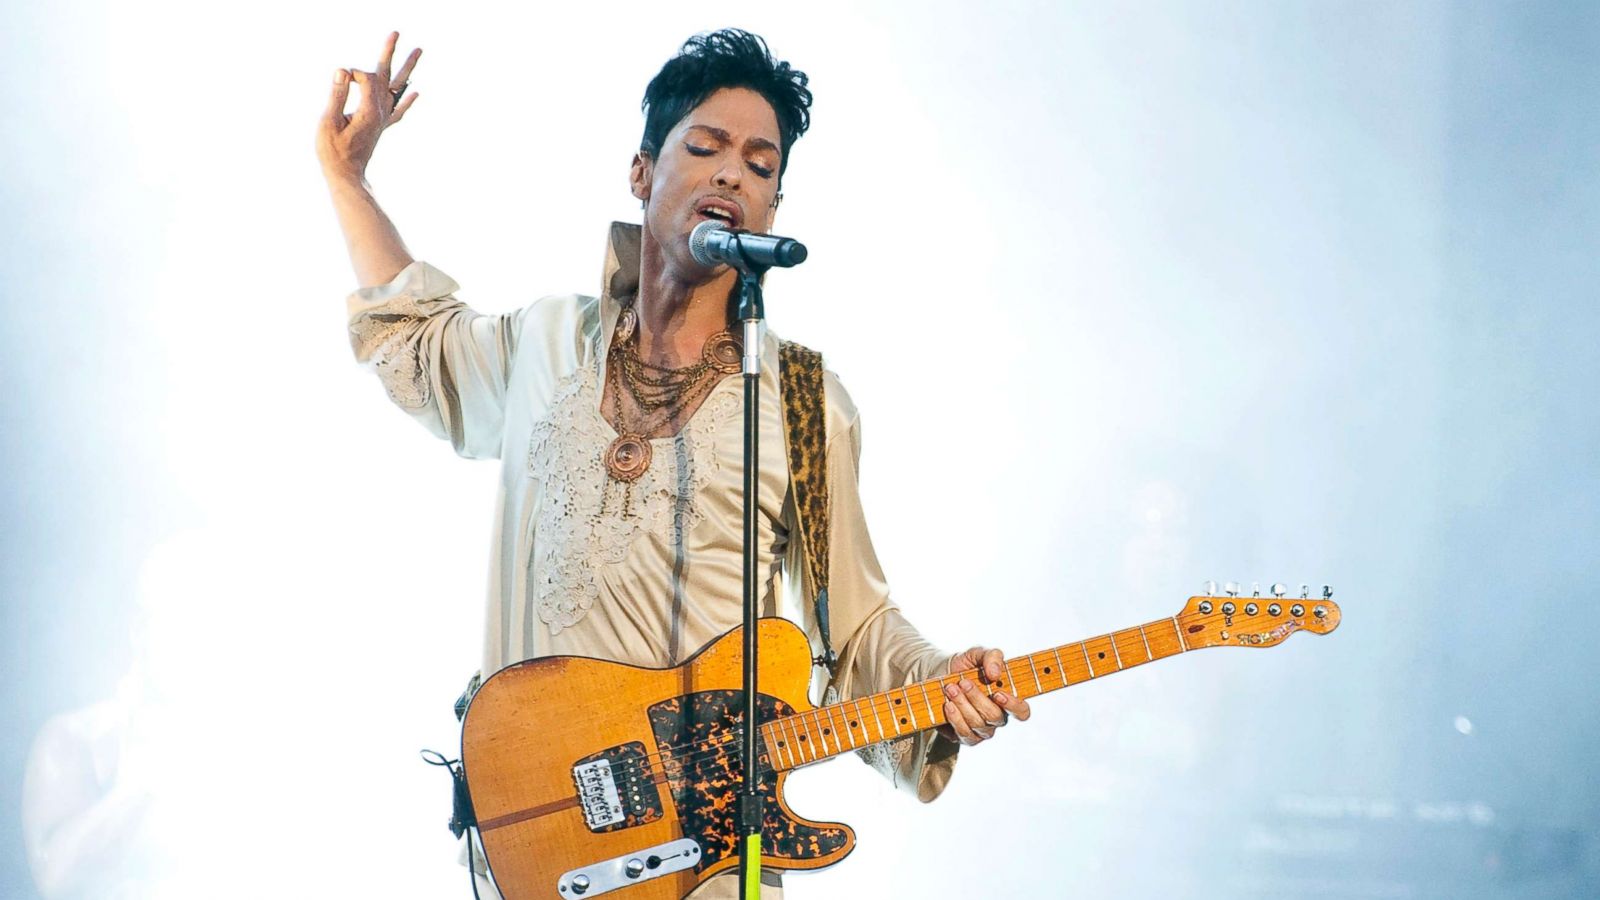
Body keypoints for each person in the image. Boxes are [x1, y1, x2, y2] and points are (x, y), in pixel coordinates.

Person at [314, 28, 1033, 898]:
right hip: (543, 855)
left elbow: (859, 625)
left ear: (772, 210)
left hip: (706, 873)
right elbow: (418, 335)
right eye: (706, 147)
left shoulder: (804, 404)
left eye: (761, 166)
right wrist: (347, 179)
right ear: (642, 172)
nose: (733, 174)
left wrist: (942, 684)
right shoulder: (546, 340)